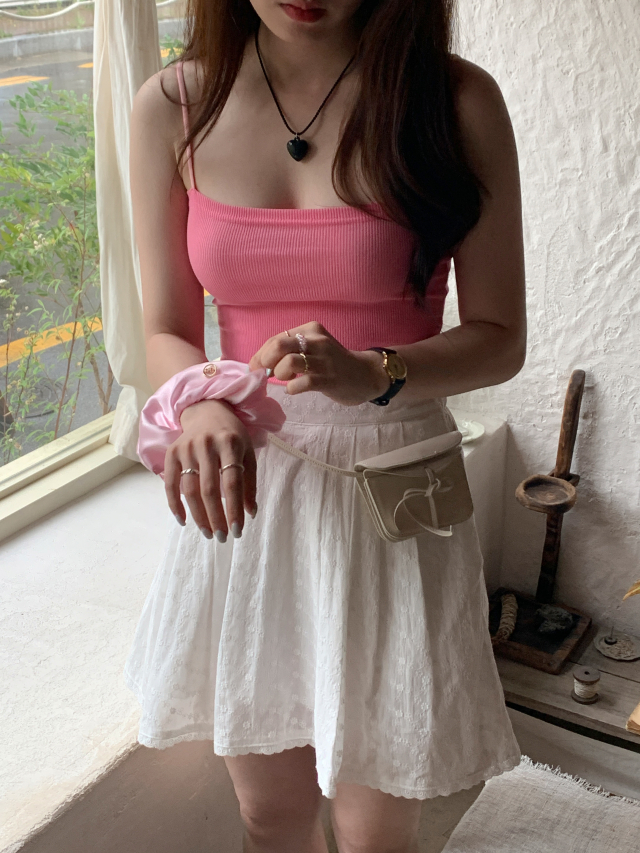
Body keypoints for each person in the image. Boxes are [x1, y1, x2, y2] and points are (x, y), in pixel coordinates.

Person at [124, 0, 526, 851]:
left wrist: (377, 370)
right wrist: (203, 398)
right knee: (270, 815)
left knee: (376, 830)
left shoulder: (455, 103)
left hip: (394, 486)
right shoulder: (173, 105)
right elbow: (162, 327)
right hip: (247, 490)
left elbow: (500, 337)